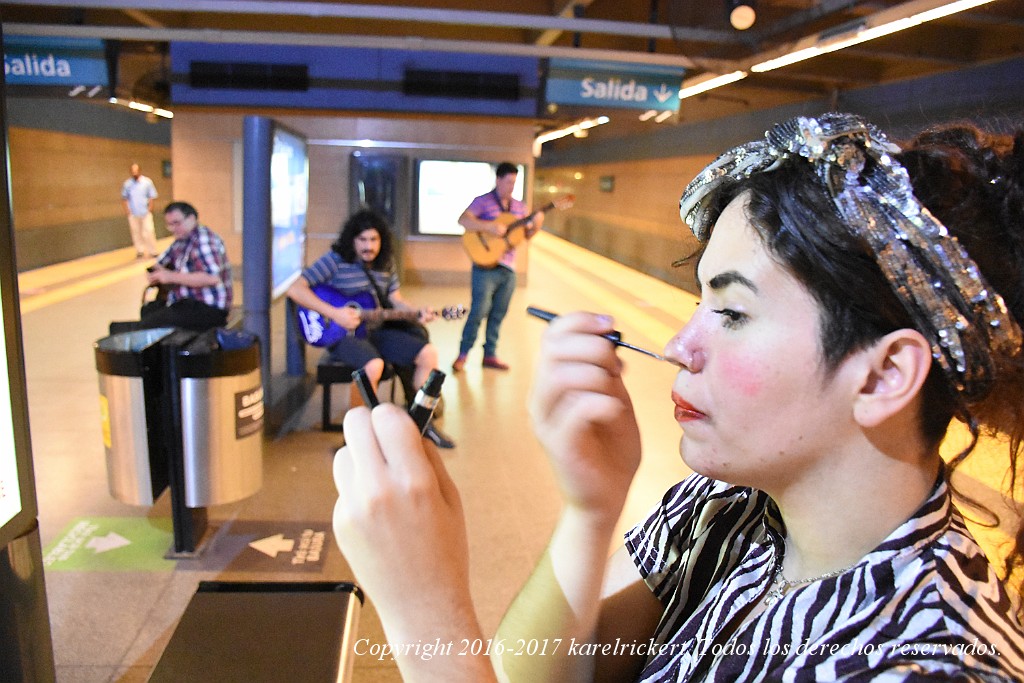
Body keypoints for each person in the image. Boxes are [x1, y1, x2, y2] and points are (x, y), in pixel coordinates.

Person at [330, 113, 1024, 680]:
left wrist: (427, 616)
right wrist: (590, 506)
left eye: (731, 313)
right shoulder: (731, 506)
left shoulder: (932, 664)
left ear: (880, 376)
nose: (675, 345)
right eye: (699, 303)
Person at [287, 209, 455, 449]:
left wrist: (417, 312)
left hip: (375, 330)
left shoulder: (386, 263)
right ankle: (356, 435)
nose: (368, 246)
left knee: (428, 353)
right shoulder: (335, 261)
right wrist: (335, 314)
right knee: (373, 366)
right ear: (352, 240)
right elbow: (296, 289)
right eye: (362, 240)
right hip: (342, 333)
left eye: (374, 240)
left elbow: (395, 298)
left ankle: (422, 423)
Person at [452, 162, 543, 372]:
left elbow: (526, 236)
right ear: (498, 180)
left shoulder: (520, 208)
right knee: (478, 311)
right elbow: (463, 220)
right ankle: (463, 353)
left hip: (508, 269)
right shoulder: (482, 202)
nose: (511, 186)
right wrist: (489, 227)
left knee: (498, 313)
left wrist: (536, 224)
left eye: (514, 182)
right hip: (484, 268)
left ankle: (490, 354)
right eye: (508, 181)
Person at [136, 201, 233, 331]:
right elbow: (162, 261)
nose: (172, 229)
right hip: (186, 301)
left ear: (192, 218)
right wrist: (156, 271)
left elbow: (212, 278)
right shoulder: (182, 240)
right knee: (148, 311)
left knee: (148, 326)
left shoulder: (203, 240)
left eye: (177, 223)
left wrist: (171, 276)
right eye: (169, 225)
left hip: (208, 307)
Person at [121, 163, 159, 258]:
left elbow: (151, 196)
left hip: (145, 212)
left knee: (149, 231)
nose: (134, 173)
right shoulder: (127, 184)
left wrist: (150, 208)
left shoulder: (147, 182)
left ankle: (153, 251)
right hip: (133, 212)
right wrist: (127, 211)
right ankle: (140, 250)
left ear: (140, 171)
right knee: (136, 232)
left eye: (136, 171)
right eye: (133, 171)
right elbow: (124, 198)